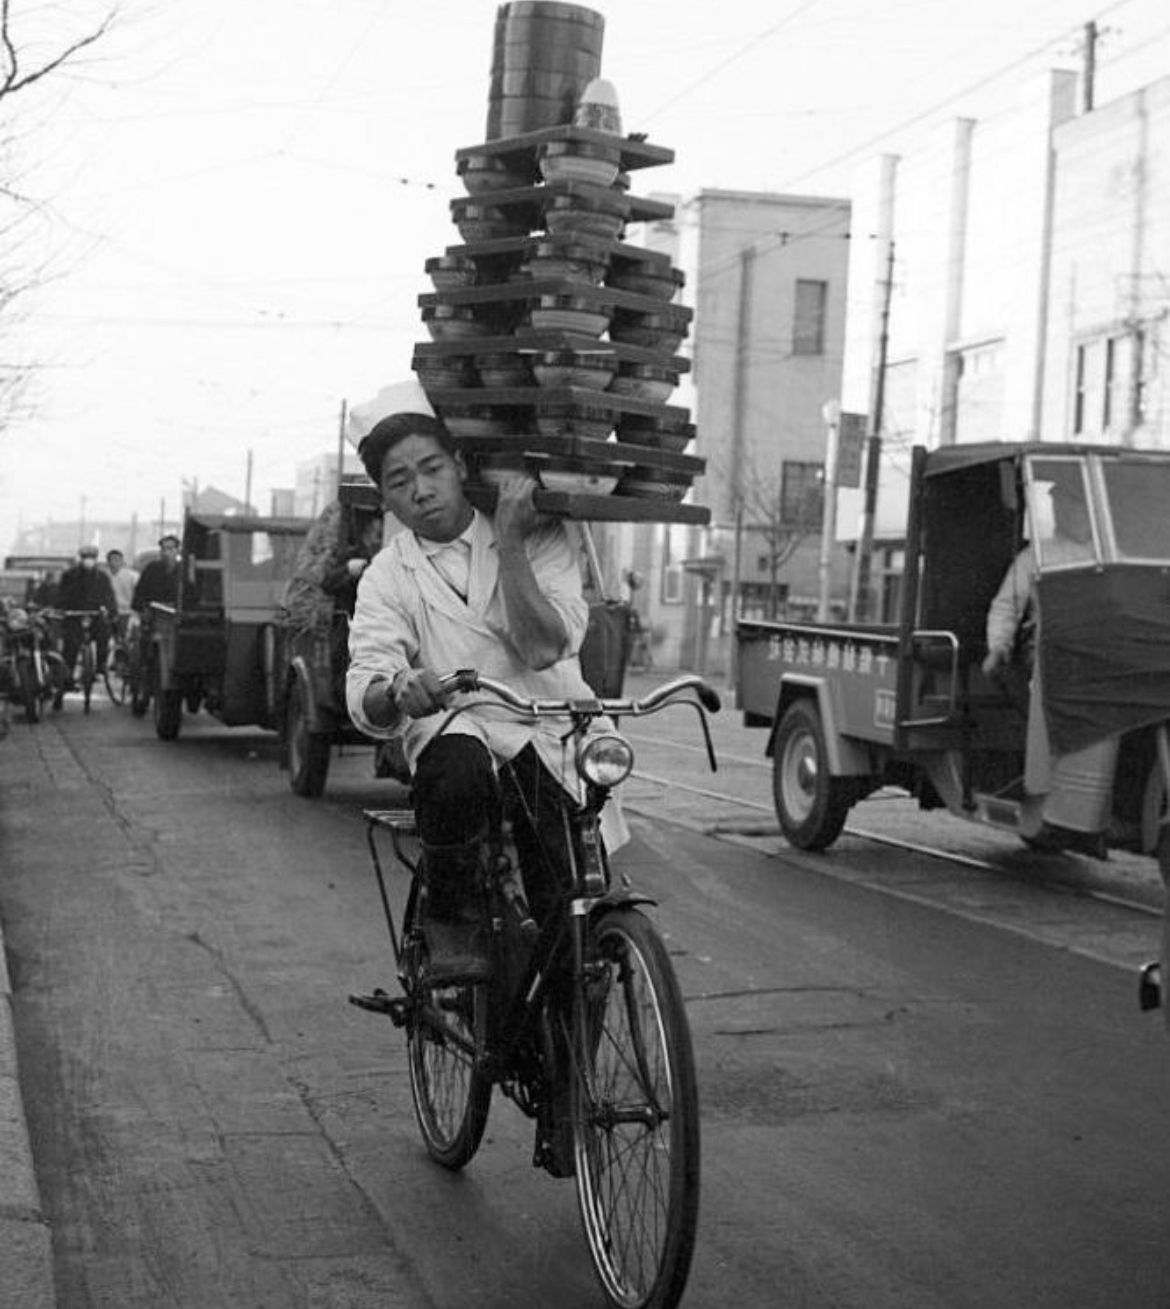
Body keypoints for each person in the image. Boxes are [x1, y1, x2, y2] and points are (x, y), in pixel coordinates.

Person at [346, 387, 619, 985]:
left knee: (571, 924)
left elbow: (545, 646)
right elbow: (366, 683)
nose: (421, 490)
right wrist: (398, 687)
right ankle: (450, 916)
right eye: (399, 481)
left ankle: (566, 1058)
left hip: (548, 728)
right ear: (384, 496)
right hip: (460, 728)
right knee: (458, 763)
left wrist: (513, 546)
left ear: (459, 465)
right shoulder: (388, 576)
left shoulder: (540, 535)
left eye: (431, 468)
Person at [982, 474, 1096, 679]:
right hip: (1051, 653)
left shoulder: (1113, 555)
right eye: (1058, 502)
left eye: (1074, 502)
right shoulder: (1033, 557)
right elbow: (1006, 606)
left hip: (1104, 648)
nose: (1063, 509)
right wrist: (998, 647)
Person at [56, 545, 117, 682]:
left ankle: (100, 666)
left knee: (103, 635)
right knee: (70, 643)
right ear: (81, 559)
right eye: (85, 558)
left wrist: (111, 611)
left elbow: (109, 596)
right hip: (74, 614)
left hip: (95, 614)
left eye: (91, 558)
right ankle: (68, 673)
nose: (88, 561)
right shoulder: (69, 575)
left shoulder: (102, 577)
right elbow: (61, 595)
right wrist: (61, 609)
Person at [132, 534, 181, 613]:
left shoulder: (182, 570)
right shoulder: (152, 568)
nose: (166, 553)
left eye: (170, 549)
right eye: (163, 549)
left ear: (177, 550)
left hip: (176, 612)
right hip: (153, 612)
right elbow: (140, 592)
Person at [104, 549, 140, 641]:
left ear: (122, 561)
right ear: (107, 562)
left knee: (126, 640)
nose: (114, 563)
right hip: (109, 614)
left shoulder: (133, 576)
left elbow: (139, 593)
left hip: (127, 613)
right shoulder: (104, 577)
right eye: (111, 560)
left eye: (117, 560)